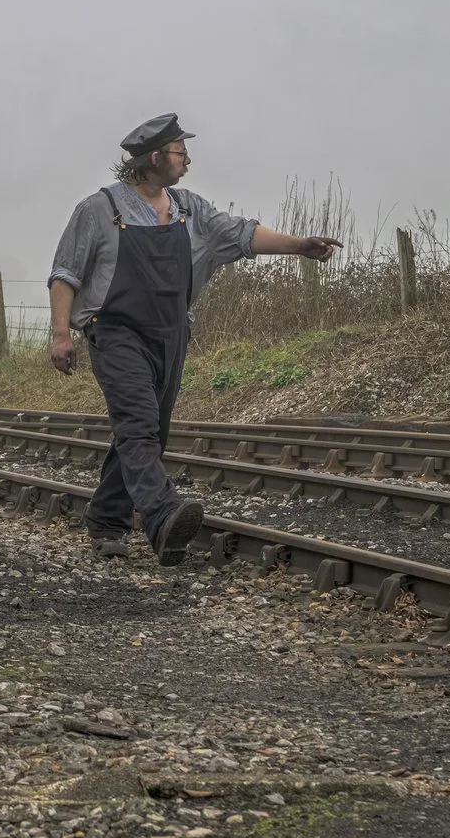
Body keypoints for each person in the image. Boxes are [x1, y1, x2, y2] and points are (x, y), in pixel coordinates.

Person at [47, 114, 340, 563]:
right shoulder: (99, 210)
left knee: (147, 431)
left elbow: (242, 234)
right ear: (154, 157)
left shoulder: (189, 210)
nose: (188, 160)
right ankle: (163, 516)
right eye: (181, 152)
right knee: (139, 422)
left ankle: (106, 519)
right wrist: (60, 333)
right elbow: (65, 274)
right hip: (115, 331)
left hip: (171, 331)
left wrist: (298, 245)